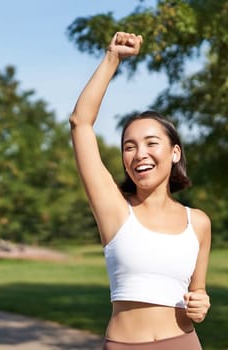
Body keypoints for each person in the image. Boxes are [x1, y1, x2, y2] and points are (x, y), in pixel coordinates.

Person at [69, 31, 212, 349]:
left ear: (174, 153)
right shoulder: (115, 210)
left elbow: (197, 292)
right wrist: (112, 58)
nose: (140, 154)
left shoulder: (198, 223)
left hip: (183, 342)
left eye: (151, 143)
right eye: (129, 146)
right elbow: (81, 122)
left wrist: (201, 303)